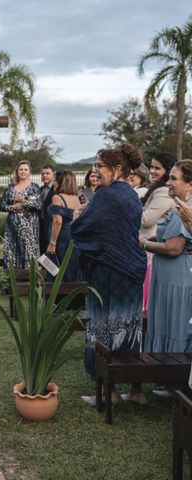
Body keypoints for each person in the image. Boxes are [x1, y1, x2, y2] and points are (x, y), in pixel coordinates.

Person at [71, 144, 146, 406]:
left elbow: (82, 228)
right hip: (131, 271)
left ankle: (110, 393)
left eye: (99, 166)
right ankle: (136, 390)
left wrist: (76, 216)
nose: (95, 170)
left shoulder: (106, 196)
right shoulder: (131, 194)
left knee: (103, 329)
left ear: (117, 169)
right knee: (129, 328)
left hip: (109, 272)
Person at [136, 160, 192, 399]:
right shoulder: (178, 207)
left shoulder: (187, 210)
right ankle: (168, 380)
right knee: (166, 323)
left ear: (189, 183)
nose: (168, 182)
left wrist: (144, 243)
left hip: (179, 278)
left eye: (174, 178)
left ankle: (177, 380)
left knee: (176, 326)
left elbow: (173, 248)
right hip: (167, 276)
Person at [140, 153, 176, 313]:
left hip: (152, 247)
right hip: (147, 246)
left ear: (167, 171)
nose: (152, 171)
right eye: (151, 167)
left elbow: (146, 219)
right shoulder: (157, 189)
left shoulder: (163, 192)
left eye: (157, 168)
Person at [0, 160, 42, 268]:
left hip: (29, 228)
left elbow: (38, 205)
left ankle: (29, 281)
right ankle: (12, 280)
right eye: (21, 169)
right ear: (17, 171)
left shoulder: (34, 187)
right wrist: (13, 207)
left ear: (29, 172)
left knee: (28, 252)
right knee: (11, 252)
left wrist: (24, 202)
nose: (23, 172)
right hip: (12, 227)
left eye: (25, 169)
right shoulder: (10, 187)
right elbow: (1, 206)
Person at [46, 170, 82, 281]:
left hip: (61, 238)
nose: (54, 183)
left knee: (55, 267)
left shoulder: (57, 198)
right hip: (74, 238)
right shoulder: (77, 199)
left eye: (56, 181)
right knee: (71, 267)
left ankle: (57, 296)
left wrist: (52, 243)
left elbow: (58, 221)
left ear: (62, 182)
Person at [39, 164, 55, 252]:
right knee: (42, 252)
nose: (45, 175)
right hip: (41, 224)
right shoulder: (39, 190)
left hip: (52, 224)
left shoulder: (57, 189)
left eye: (48, 173)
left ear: (53, 174)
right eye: (43, 174)